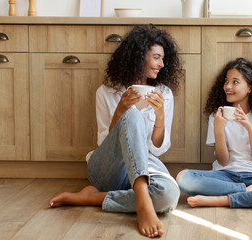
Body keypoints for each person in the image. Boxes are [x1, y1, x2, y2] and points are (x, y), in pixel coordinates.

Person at [48, 24, 183, 238]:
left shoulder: (163, 93)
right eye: (157, 57)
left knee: (169, 195)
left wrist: (160, 117)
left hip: (146, 164)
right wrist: (121, 110)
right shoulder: (106, 92)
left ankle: (91, 197)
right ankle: (143, 199)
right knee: (132, 115)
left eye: (163, 58)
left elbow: (158, 150)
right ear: (138, 57)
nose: (162, 64)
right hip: (108, 169)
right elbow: (104, 143)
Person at [177, 58, 252, 208]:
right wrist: (218, 130)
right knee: (183, 178)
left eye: (235, 82)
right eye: (226, 81)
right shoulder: (217, 116)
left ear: (250, 88)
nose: (227, 86)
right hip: (224, 175)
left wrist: (249, 128)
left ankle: (224, 200)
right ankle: (245, 192)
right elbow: (223, 161)